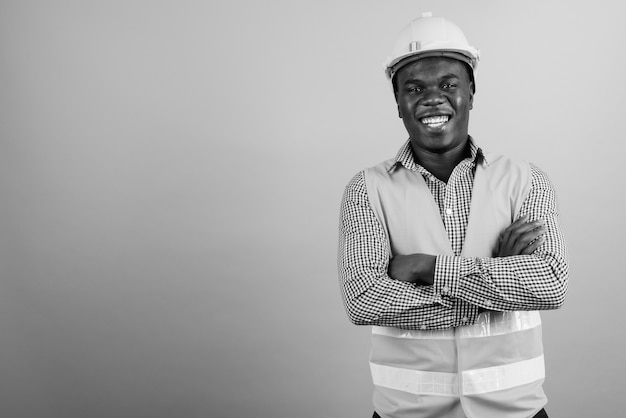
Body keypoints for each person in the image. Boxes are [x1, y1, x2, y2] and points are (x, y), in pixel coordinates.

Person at [337, 12, 569, 418]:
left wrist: (427, 267)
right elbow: (364, 299)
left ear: (471, 92)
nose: (432, 98)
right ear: (398, 103)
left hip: (515, 411)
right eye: (414, 88)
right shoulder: (366, 189)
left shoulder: (526, 180)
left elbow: (550, 284)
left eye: (448, 84)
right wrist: (496, 284)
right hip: (406, 412)